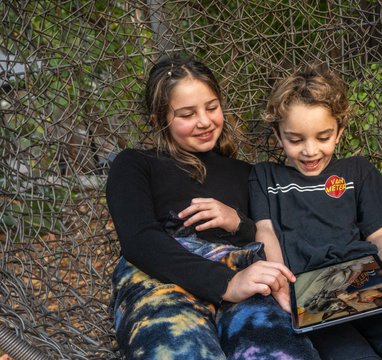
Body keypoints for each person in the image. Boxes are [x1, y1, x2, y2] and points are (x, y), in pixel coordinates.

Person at [106, 55, 320, 359]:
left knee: (279, 350)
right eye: (187, 114)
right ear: (158, 120)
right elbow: (139, 241)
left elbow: (274, 235)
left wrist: (238, 223)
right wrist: (226, 283)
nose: (205, 121)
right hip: (161, 278)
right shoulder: (136, 164)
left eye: (211, 107)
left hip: (245, 275)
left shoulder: (247, 173)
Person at [249, 65, 382, 360]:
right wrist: (280, 280)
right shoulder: (265, 177)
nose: (310, 151)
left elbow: (379, 234)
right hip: (309, 292)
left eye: (323, 137)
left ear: (339, 132)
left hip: (365, 279)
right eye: (295, 140)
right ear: (277, 135)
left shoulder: (357, 171)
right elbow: (265, 231)